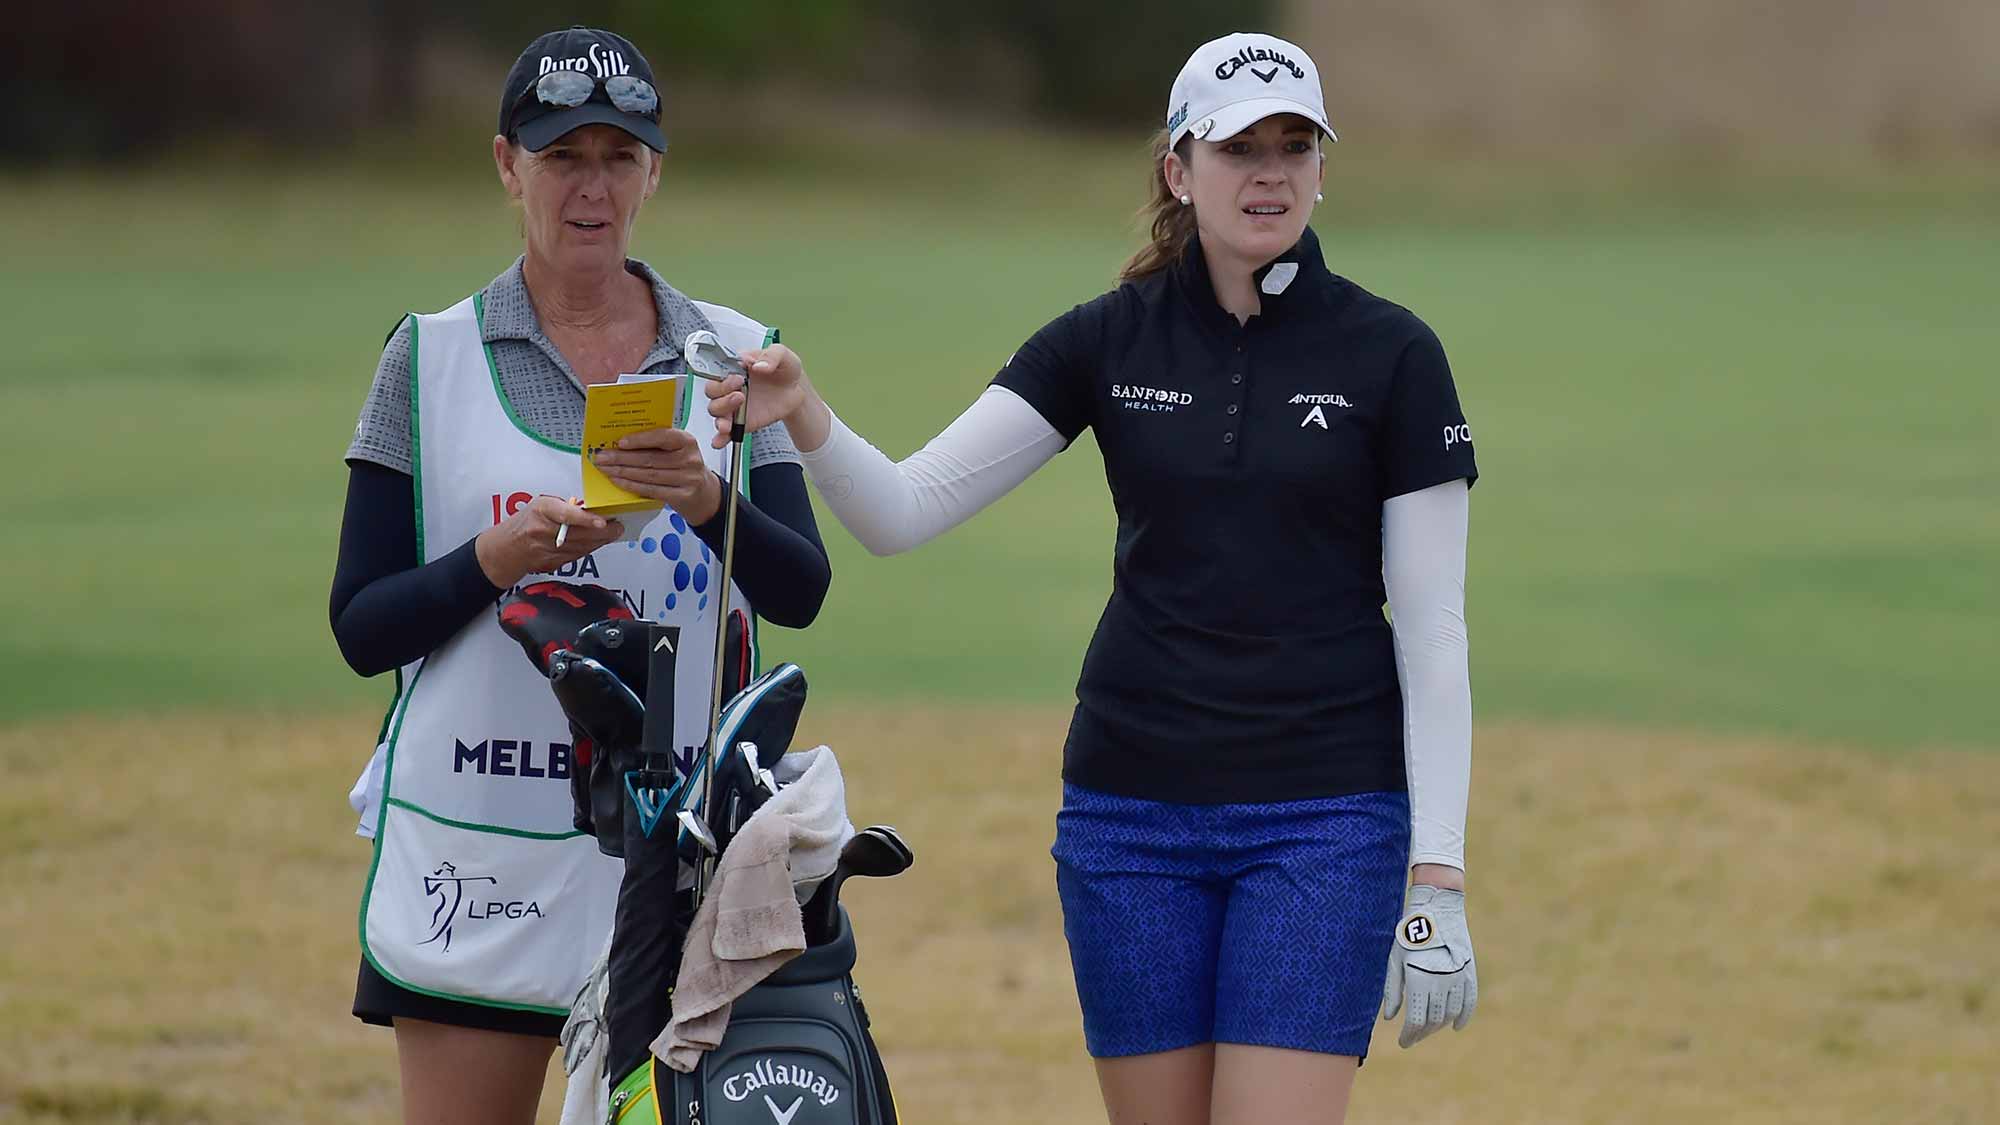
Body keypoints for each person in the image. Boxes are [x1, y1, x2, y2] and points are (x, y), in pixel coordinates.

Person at [707, 31, 1478, 1124]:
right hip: (1131, 817)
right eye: (1236, 147)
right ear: (1178, 169)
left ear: (1319, 166)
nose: (1267, 173)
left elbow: (1433, 627)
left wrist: (1435, 875)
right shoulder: (1103, 342)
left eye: (1291, 145)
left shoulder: (1391, 354)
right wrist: (806, 412)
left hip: (1324, 818)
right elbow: (900, 511)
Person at [327, 27, 830, 1125]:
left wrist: (704, 499)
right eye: (562, 157)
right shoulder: (429, 355)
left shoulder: (735, 357)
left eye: (617, 155)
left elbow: (799, 590)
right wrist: (493, 562)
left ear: (655, 169)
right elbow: (361, 627)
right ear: (507, 165)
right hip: (479, 847)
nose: (590, 187)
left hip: (673, 860)